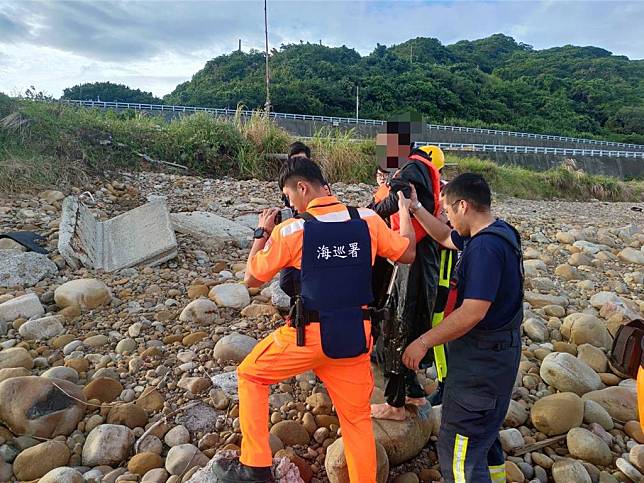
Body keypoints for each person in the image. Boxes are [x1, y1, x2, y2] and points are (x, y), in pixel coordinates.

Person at [213, 157, 417, 482]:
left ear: (303, 187)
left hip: (307, 337)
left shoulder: (293, 229)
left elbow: (251, 278)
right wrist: (406, 210)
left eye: (290, 196)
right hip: (354, 337)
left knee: (251, 375)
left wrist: (261, 231)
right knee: (356, 421)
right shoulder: (367, 219)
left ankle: (255, 466)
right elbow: (407, 252)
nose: (290, 204)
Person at [401, 173, 524, 482]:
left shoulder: (485, 249)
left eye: (448, 210)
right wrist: (415, 208)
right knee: (485, 435)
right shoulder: (500, 232)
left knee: (459, 452)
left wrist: (424, 341)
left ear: (464, 205)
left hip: (481, 366)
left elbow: (472, 313)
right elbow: (444, 237)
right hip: (499, 358)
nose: (447, 216)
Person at [370, 144, 444, 421]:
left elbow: (400, 198)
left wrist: (370, 211)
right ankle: (413, 390)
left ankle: (395, 404)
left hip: (412, 256)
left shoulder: (411, 168)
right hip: (425, 256)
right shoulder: (423, 167)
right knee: (412, 321)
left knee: (397, 324)